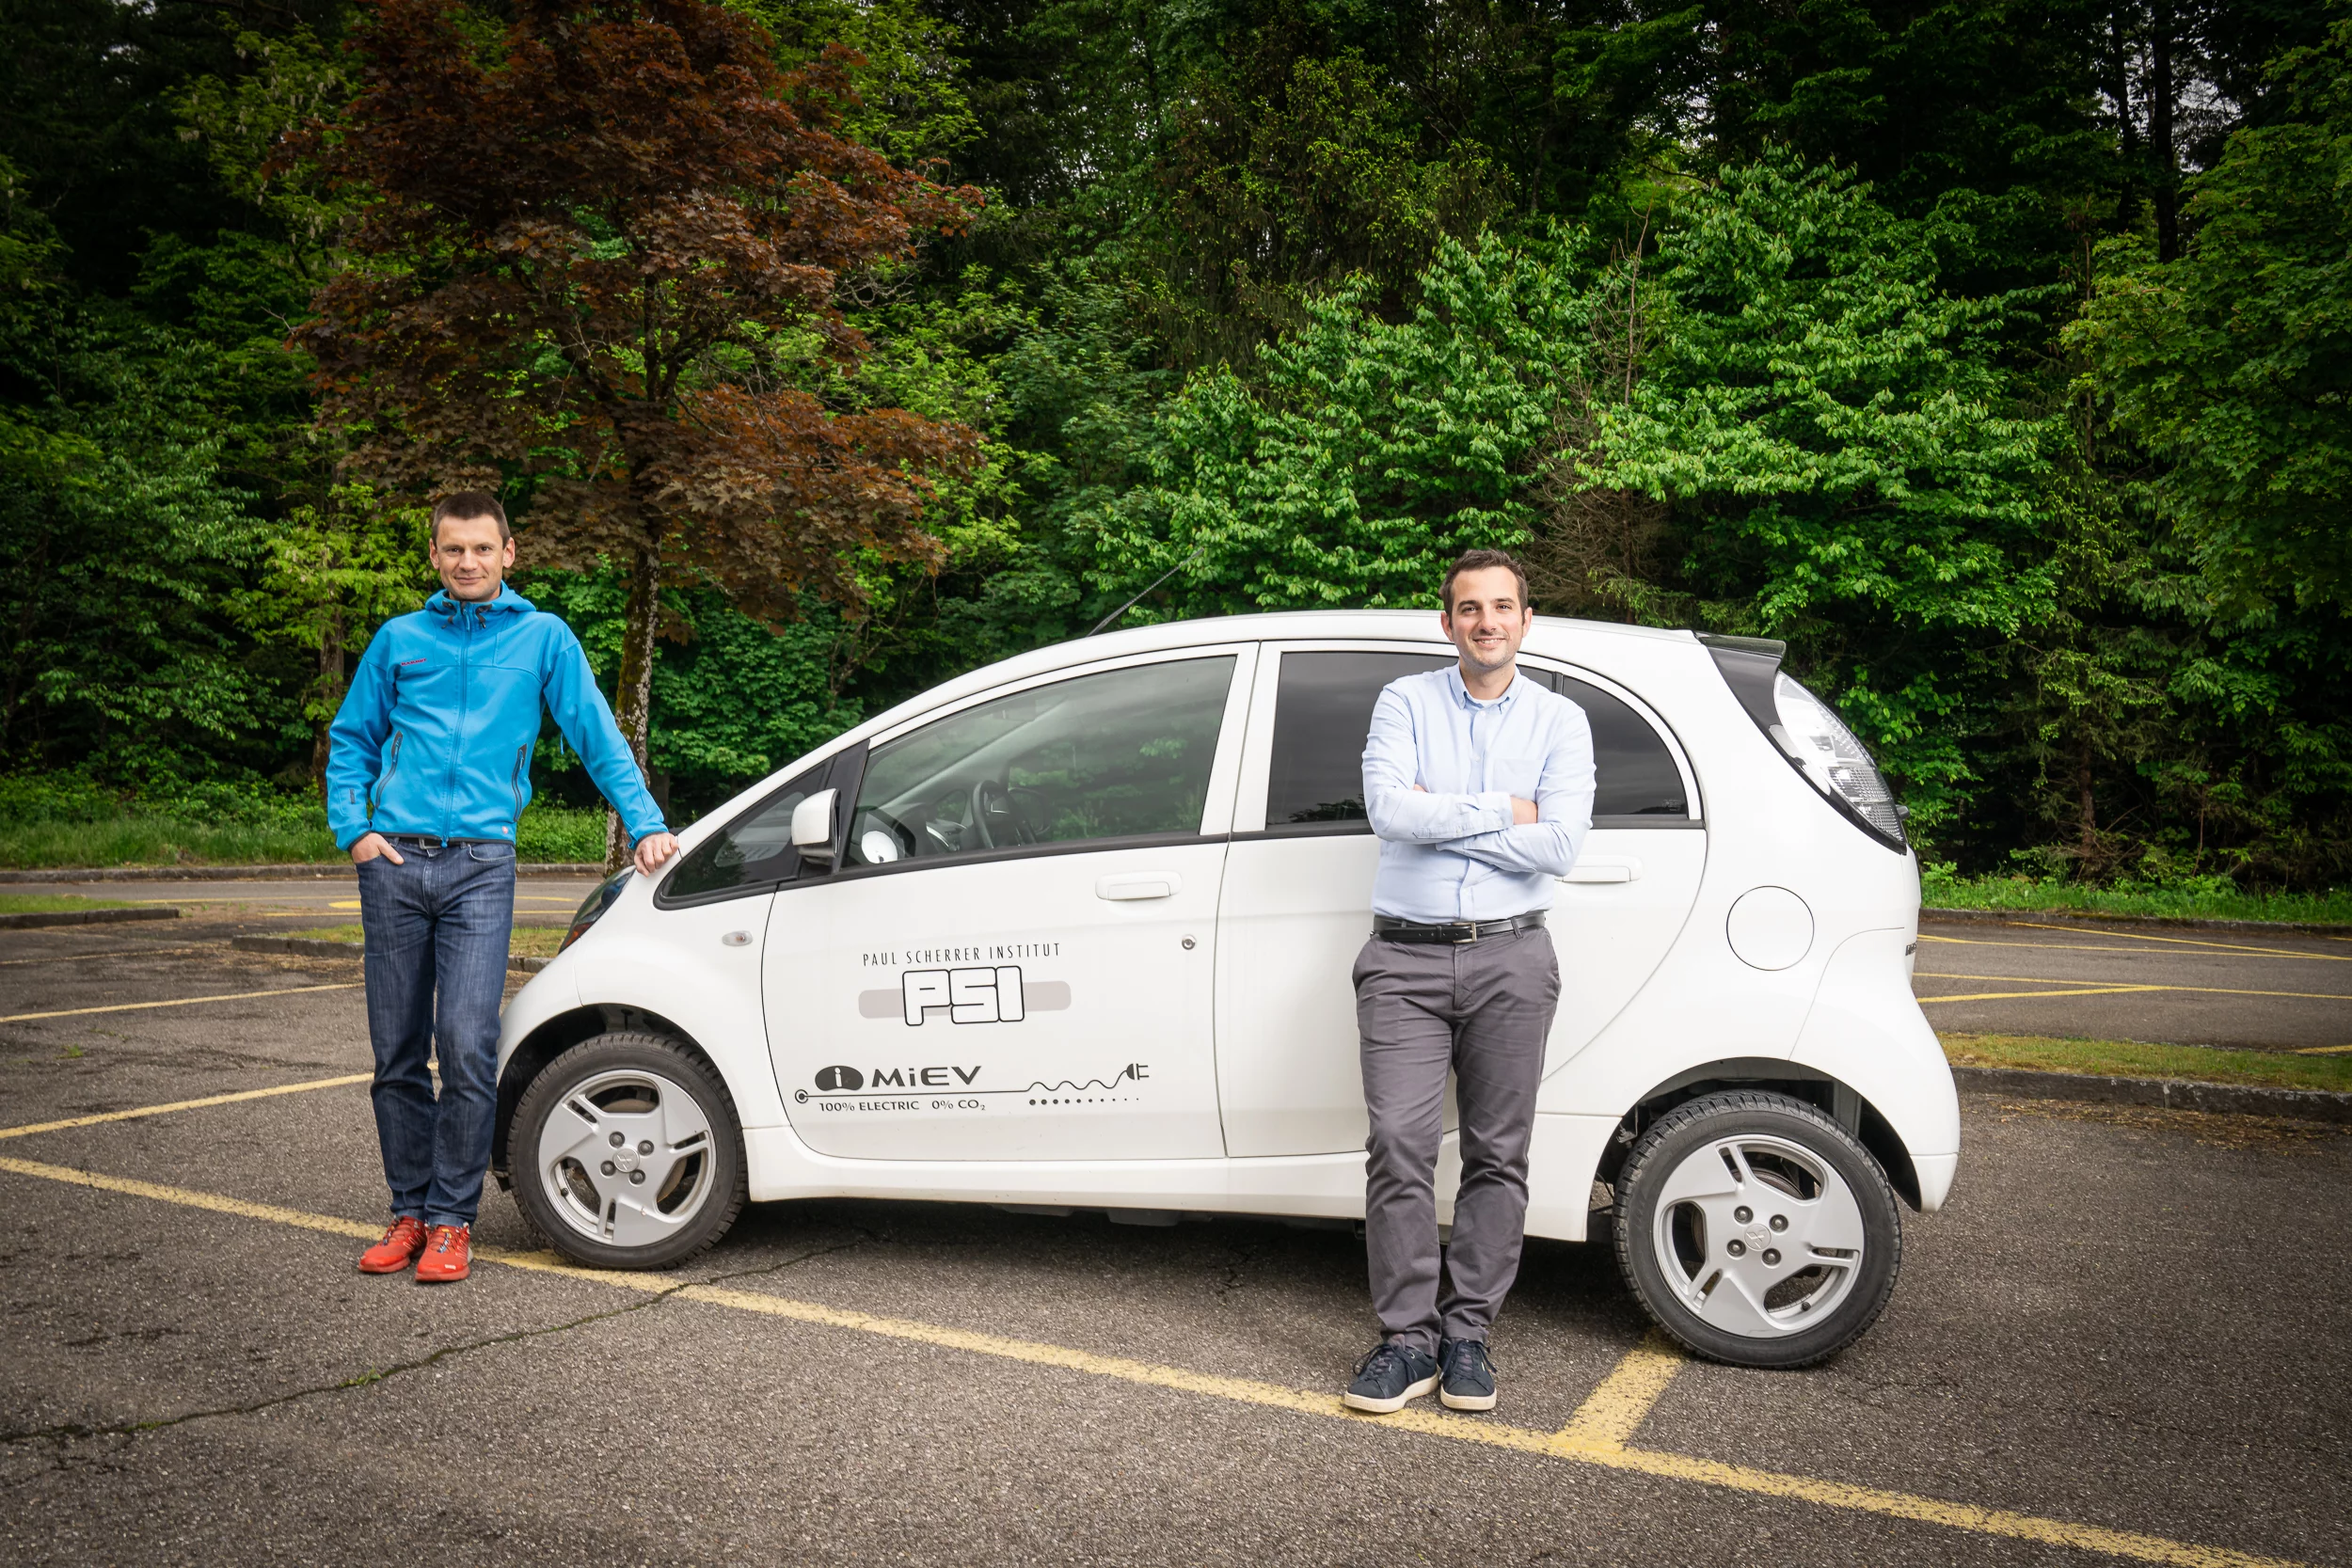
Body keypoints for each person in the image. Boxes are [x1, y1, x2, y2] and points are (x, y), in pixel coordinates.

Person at [326, 492, 677, 1285]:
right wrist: (355, 830)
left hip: (481, 865)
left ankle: (453, 1220)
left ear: (508, 553)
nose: (468, 562)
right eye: (453, 550)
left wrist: (646, 821)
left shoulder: (542, 637)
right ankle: (408, 1211)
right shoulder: (400, 640)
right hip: (395, 865)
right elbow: (351, 738)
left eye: (482, 549)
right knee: (397, 1054)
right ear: (435, 556)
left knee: (469, 1044)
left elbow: (596, 731)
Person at [1342, 548, 1596, 1415]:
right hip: (1403, 961)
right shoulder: (1404, 702)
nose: (1486, 621)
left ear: (1527, 620)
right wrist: (1507, 810)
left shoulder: (1562, 723)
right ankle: (1407, 1341)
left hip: (1512, 959)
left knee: (1497, 1152)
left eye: (1501, 606)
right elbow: (1389, 811)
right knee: (1400, 1149)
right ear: (1446, 622)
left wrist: (1443, 813)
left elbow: (1561, 845)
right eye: (1468, 608)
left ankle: (1468, 1335)